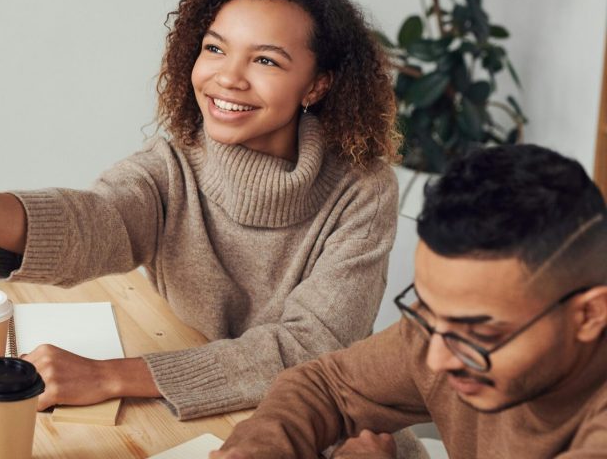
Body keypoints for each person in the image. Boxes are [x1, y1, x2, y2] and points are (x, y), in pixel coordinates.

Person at [0, 0, 404, 424]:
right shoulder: (171, 164)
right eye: (215, 49)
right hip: (196, 414)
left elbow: (312, 347)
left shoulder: (362, 191)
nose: (228, 77)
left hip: (313, 422)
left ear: (316, 85)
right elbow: (99, 219)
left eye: (266, 60)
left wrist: (111, 377)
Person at [214, 144, 607, 458]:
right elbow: (325, 386)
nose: (435, 360)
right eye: (428, 311)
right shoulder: (444, 333)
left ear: (589, 314)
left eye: (479, 332)